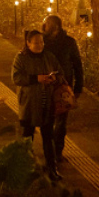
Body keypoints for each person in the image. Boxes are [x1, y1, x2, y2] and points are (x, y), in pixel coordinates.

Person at [10, 29, 65, 178]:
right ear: (28, 43)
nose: (40, 45)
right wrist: (36, 79)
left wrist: (55, 79)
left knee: (48, 137)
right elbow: (16, 78)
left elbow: (60, 73)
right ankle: (24, 168)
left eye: (41, 42)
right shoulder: (21, 58)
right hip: (29, 104)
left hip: (47, 104)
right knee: (27, 137)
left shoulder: (49, 57)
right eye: (36, 42)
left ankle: (52, 168)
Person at [40, 14, 83, 159]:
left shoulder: (64, 43)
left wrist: (78, 87)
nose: (43, 26)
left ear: (54, 26)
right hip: (55, 87)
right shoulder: (44, 42)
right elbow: (78, 66)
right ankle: (55, 151)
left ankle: (54, 151)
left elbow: (77, 65)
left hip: (59, 87)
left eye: (45, 24)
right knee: (55, 120)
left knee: (57, 120)